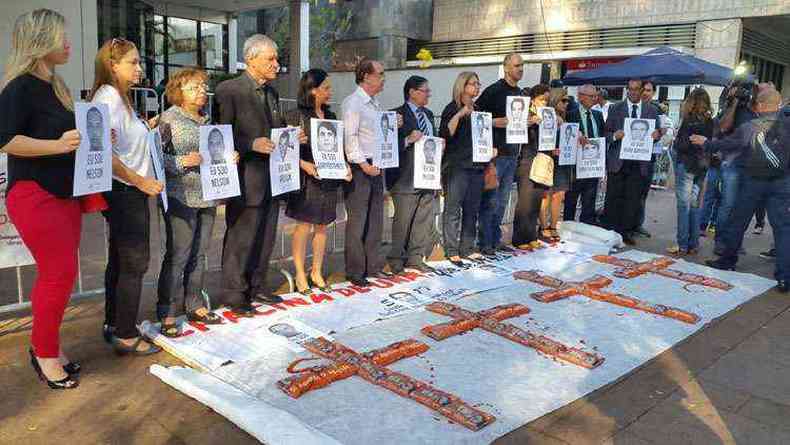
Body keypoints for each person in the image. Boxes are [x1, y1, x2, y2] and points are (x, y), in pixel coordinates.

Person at [0, 8, 95, 388]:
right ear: (41, 42)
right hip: (35, 194)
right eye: (61, 36)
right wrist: (56, 145)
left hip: (62, 194)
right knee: (57, 276)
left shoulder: (56, 86)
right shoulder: (19, 87)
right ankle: (43, 352)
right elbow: (6, 140)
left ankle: (48, 346)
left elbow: (71, 142)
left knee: (61, 275)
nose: (68, 42)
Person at [215, 34, 306, 314]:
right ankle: (234, 293)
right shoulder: (229, 90)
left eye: (276, 58)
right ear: (251, 59)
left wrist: (292, 137)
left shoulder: (272, 93)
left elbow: (274, 131)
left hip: (272, 178)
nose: (276, 64)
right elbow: (219, 135)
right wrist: (249, 144)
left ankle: (257, 286)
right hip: (245, 178)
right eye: (271, 59)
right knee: (241, 238)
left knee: (265, 237)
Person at [89, 38, 164, 355]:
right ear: (113, 65)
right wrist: (141, 182)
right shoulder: (108, 98)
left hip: (126, 190)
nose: (139, 68)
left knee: (121, 261)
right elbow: (104, 152)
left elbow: (121, 143)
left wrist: (147, 127)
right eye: (132, 62)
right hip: (125, 191)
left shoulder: (120, 99)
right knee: (135, 262)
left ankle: (115, 323)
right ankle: (124, 332)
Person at [156, 68, 239, 336]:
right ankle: (167, 312)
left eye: (203, 86)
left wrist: (229, 157)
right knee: (178, 255)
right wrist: (182, 161)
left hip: (209, 196)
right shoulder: (167, 119)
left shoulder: (207, 121)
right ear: (178, 91)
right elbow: (156, 159)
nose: (202, 91)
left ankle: (194, 304)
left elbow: (215, 154)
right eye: (194, 87)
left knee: (200, 253)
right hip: (180, 196)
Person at [691, 89, 789, 293]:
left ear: (760, 106)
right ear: (778, 105)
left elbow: (727, 144)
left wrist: (706, 143)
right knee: (782, 229)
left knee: (738, 221)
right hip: (781, 183)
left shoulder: (749, 127)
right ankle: (784, 277)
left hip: (753, 182)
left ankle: (728, 260)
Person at [285, 68, 351, 294]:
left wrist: (345, 167)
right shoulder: (295, 116)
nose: (329, 92)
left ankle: (316, 271)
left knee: (323, 226)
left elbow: (337, 148)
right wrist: (304, 165)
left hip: (328, 179)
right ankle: (300, 273)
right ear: (312, 90)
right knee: (303, 226)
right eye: (326, 88)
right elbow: (284, 151)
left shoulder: (331, 117)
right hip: (307, 179)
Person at [342, 59, 395, 286]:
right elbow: (350, 138)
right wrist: (363, 165)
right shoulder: (353, 103)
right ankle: (355, 270)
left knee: (375, 219)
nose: (383, 78)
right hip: (361, 166)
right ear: (366, 76)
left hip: (376, 163)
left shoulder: (375, 103)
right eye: (380, 74)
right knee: (358, 220)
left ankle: (372, 265)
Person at [387, 76, 438, 273]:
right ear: (412, 92)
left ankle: (415, 257)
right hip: (404, 177)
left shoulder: (429, 114)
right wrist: (407, 139)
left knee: (422, 219)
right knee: (403, 220)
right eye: (425, 90)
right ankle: (396, 258)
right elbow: (388, 146)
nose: (429, 94)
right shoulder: (396, 115)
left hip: (427, 174)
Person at [476, 53, 525, 254]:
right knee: (491, 200)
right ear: (506, 68)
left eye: (522, 65)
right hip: (496, 155)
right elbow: (476, 118)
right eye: (516, 65)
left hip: (513, 153)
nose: (520, 69)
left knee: (504, 201)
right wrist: (493, 121)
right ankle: (485, 242)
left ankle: (496, 240)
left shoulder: (521, 93)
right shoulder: (492, 91)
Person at [602, 79, 661, 245]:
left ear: (642, 90)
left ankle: (626, 232)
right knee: (613, 197)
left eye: (637, 89)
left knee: (632, 199)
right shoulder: (615, 108)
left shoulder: (651, 110)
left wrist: (657, 135)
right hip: (618, 161)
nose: (633, 92)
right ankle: (610, 231)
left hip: (639, 161)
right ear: (627, 90)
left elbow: (656, 135)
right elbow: (605, 133)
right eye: (631, 89)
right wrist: (614, 136)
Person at [440, 72, 490, 265]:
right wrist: (460, 114)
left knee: (472, 209)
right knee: (453, 209)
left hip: (477, 165)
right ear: (463, 86)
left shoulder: (479, 109)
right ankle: (451, 248)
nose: (477, 87)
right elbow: (446, 133)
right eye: (473, 84)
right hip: (457, 166)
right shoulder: (451, 108)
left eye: (478, 84)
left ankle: (467, 247)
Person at [667, 87, 715, 256]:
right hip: (702, 166)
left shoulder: (688, 120)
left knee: (683, 206)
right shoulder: (710, 121)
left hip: (687, 165)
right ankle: (693, 244)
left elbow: (681, 145)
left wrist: (683, 141)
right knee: (695, 205)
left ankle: (682, 244)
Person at [512, 84, 551, 248]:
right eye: (542, 99)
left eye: (547, 100)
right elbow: (516, 129)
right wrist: (529, 122)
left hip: (540, 159)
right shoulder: (525, 114)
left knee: (536, 199)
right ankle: (520, 238)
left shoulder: (546, 115)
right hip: (526, 159)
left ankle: (531, 235)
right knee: (525, 200)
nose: (544, 103)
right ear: (533, 99)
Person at [564, 84, 605, 225]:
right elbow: (565, 137)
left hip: (592, 165)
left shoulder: (598, 115)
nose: (595, 99)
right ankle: (568, 227)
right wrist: (576, 135)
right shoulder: (570, 114)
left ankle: (587, 227)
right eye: (591, 96)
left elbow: (602, 137)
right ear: (581, 97)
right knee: (571, 200)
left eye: (596, 96)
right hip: (575, 166)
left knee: (590, 200)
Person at [538, 88, 572, 241]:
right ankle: (543, 226)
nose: (566, 104)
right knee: (546, 195)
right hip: (548, 159)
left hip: (562, 161)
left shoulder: (566, 117)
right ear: (555, 100)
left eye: (568, 101)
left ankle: (553, 226)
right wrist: (551, 150)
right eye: (563, 100)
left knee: (559, 195)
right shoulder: (546, 116)